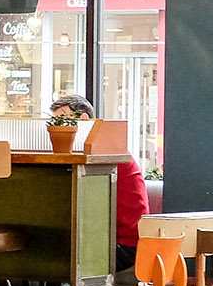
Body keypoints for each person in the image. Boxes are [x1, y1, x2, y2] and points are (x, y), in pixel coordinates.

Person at [51, 94, 148, 270]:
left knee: (49, 251)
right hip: (114, 239)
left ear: (83, 119)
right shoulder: (99, 149)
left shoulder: (104, 153)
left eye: (64, 119)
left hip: (122, 244)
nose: (59, 127)